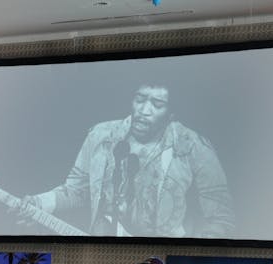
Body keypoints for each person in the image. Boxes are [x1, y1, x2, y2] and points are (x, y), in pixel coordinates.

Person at [16, 83, 234, 237]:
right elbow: (77, 189)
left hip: (158, 263)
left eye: (157, 104)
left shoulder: (193, 146)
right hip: (100, 249)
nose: (143, 110)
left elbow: (220, 217)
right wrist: (40, 202)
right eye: (140, 99)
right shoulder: (101, 135)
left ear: (171, 113)